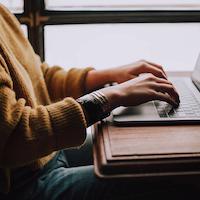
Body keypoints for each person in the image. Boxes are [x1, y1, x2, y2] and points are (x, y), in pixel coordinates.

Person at [0, 3, 198, 200]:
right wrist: (109, 96)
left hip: (44, 155)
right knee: (171, 177)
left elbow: (38, 77)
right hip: (21, 184)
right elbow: (14, 135)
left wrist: (106, 76)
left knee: (156, 153)